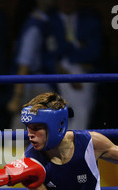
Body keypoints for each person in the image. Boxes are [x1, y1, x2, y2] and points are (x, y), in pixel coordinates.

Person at [48, 0, 102, 130]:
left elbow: (94, 52)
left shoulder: (90, 21)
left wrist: (65, 49)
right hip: (57, 70)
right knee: (71, 109)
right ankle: (72, 142)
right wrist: (77, 45)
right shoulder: (49, 22)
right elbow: (49, 53)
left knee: (81, 109)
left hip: (84, 68)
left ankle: (73, 143)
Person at [7, 0, 56, 129]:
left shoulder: (44, 22)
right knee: (24, 122)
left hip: (40, 81)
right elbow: (24, 64)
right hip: (33, 84)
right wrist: (17, 96)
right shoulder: (34, 26)